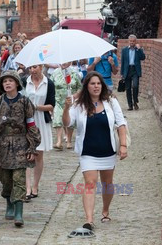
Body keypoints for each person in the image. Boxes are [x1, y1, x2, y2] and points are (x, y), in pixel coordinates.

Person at [62, 71, 128, 236]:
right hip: (88, 152)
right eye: (92, 83)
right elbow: (68, 123)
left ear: (102, 85)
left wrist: (124, 145)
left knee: (107, 184)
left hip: (107, 150)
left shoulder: (111, 102)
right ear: (87, 86)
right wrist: (66, 107)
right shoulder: (78, 105)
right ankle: (89, 219)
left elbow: (121, 123)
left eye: (98, 83)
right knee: (90, 183)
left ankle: (105, 210)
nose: (96, 86)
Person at [0, 70, 41, 227]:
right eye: (5, 81)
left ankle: (19, 213)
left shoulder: (25, 102)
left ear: (16, 83)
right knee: (6, 179)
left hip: (21, 143)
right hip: (2, 145)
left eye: (10, 80)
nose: (7, 83)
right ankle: (9, 202)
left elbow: (31, 124)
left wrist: (32, 147)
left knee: (19, 179)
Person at [24, 65, 55, 201]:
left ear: (41, 67)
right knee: (26, 154)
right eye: (30, 67)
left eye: (35, 67)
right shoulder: (25, 81)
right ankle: (27, 186)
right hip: (26, 120)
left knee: (38, 154)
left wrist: (36, 107)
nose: (32, 70)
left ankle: (35, 185)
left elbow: (51, 105)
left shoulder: (49, 83)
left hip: (41, 119)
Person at [50, 62, 82, 150]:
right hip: (58, 100)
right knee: (57, 119)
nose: (63, 63)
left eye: (66, 61)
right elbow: (50, 86)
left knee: (69, 121)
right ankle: (59, 141)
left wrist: (74, 96)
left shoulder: (74, 73)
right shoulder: (55, 73)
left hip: (71, 101)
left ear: (70, 62)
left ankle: (68, 140)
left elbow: (80, 87)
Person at [121, 34, 146, 111]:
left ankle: (135, 101)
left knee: (135, 86)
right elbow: (123, 62)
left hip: (135, 70)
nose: (132, 42)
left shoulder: (137, 49)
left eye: (133, 41)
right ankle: (130, 105)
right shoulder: (124, 50)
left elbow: (143, 58)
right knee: (128, 88)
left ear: (135, 41)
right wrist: (122, 73)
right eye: (130, 41)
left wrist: (139, 49)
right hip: (127, 70)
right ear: (128, 41)